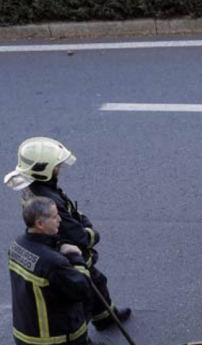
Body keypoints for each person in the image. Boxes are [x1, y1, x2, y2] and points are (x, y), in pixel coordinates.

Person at [4, 137, 131, 330]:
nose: (59, 169)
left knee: (97, 281)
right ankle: (93, 324)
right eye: (55, 166)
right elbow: (80, 237)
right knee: (87, 290)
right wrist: (91, 233)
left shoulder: (31, 187)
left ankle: (105, 316)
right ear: (43, 170)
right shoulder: (50, 198)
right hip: (67, 251)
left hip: (51, 242)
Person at [9, 196, 91, 345]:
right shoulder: (52, 262)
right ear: (40, 224)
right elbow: (83, 288)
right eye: (54, 217)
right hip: (53, 338)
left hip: (24, 333)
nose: (59, 219)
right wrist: (75, 257)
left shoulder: (16, 245)